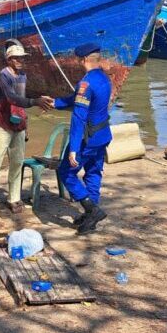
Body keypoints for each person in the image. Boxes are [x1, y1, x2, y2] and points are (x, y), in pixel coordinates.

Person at [0, 43, 52, 216]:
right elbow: (11, 98)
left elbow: (21, 100)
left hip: (18, 125)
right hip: (2, 124)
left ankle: (14, 198)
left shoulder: (23, 76)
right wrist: (35, 101)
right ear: (9, 60)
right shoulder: (2, 77)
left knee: (17, 163)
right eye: (17, 58)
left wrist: (26, 124)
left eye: (23, 58)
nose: (21, 61)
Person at [52, 43, 113, 235]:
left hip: (87, 139)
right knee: (93, 173)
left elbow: (78, 117)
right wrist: (54, 103)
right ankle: (90, 219)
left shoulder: (85, 83)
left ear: (84, 60)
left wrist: (73, 149)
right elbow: (75, 99)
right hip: (103, 135)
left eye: (79, 60)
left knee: (66, 172)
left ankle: (91, 209)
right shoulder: (104, 79)